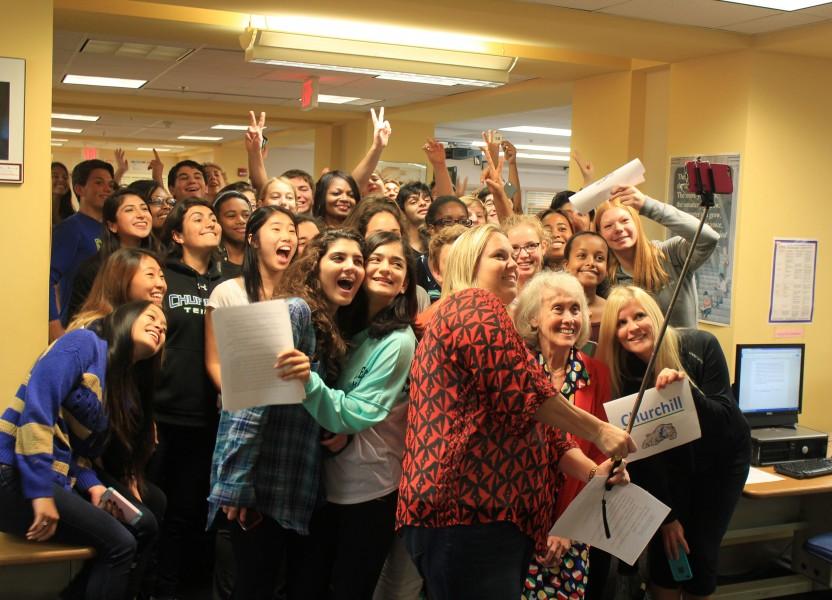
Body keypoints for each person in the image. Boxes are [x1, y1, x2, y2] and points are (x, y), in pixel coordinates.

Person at [397, 224, 635, 600]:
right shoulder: (472, 305)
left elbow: (547, 433)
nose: (513, 263)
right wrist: (599, 432)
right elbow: (527, 395)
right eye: (499, 256)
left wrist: (593, 472)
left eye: (513, 255)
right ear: (468, 263)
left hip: (488, 519)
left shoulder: (497, 326)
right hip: (468, 515)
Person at [0, 301, 166, 600]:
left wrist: (93, 488)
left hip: (58, 477)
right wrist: (40, 492)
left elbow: (79, 454)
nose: (159, 327)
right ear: (125, 318)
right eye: (152, 316)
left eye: (165, 328)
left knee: (145, 525)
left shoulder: (118, 382)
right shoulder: (84, 342)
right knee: (121, 545)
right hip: (14, 474)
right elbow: (39, 408)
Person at [597, 286, 751, 600]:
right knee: (668, 554)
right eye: (622, 323)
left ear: (655, 315)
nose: (633, 327)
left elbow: (725, 423)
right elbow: (642, 457)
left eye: (639, 315)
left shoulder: (701, 345)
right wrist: (667, 517)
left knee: (702, 553)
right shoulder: (624, 377)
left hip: (722, 463)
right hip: (666, 470)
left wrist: (685, 391)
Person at [297, 231, 418, 599]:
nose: (384, 269)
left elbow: (352, 415)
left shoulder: (399, 341)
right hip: (322, 486)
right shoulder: (339, 325)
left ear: (404, 287)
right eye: (375, 259)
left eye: (397, 264)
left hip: (370, 492)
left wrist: (306, 380)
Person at [205, 206, 314, 600]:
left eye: (292, 230)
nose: (287, 237)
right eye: (276, 229)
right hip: (240, 422)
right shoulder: (229, 292)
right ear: (253, 239)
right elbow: (214, 361)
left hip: (290, 431)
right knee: (244, 554)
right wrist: (242, 395)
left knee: (280, 559)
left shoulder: (303, 300)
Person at [514, 271, 615, 600]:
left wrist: (569, 528)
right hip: (516, 526)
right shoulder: (518, 369)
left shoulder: (596, 373)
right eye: (558, 309)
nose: (569, 318)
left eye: (576, 309)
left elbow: (602, 459)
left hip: (571, 526)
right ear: (533, 318)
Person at [148, 198, 224, 599]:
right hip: (162, 413)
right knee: (154, 505)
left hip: (207, 417)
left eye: (213, 217)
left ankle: (178, 587)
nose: (210, 222)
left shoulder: (228, 281)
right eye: (198, 218)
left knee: (189, 509)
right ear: (177, 235)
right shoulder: (162, 278)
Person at [595, 186, 719, 328]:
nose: (618, 228)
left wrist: (647, 205)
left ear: (636, 223)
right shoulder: (606, 279)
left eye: (624, 221)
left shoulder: (671, 254)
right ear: (600, 234)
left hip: (683, 350)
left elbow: (709, 237)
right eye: (608, 226)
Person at [49, 159, 115, 340]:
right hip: (77, 324)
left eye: (110, 184)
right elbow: (48, 279)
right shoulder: (70, 228)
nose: (107, 189)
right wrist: (54, 326)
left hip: (108, 324)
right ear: (79, 189)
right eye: (98, 183)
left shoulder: (112, 229)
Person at [68, 188, 156, 320]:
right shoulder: (94, 269)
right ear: (112, 225)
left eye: (144, 209)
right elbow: (81, 319)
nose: (141, 215)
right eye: (129, 210)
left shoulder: (160, 262)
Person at [67, 248, 167, 331]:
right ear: (122, 281)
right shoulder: (92, 331)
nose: (161, 284)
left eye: (162, 276)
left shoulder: (152, 330)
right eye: (150, 274)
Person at [416, 196, 473, 301]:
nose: (457, 227)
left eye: (463, 221)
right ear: (431, 229)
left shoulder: (478, 263)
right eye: (447, 222)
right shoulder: (416, 268)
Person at [563, 231, 609, 352]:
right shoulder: (550, 306)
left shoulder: (613, 310)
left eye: (599, 258)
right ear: (566, 265)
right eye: (582, 256)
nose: (591, 263)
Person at [213, 190, 253, 280]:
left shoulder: (262, 259)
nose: (241, 220)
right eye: (231, 216)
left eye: (246, 215)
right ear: (217, 220)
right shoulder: (210, 263)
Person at [502, 214, 547, 293]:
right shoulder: (496, 297)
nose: (523, 255)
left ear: (543, 247)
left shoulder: (557, 291)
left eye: (531, 246)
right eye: (514, 248)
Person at [395, 182, 432, 254]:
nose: (423, 203)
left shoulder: (439, 240)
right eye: (413, 202)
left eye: (427, 200)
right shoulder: (398, 245)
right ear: (402, 210)